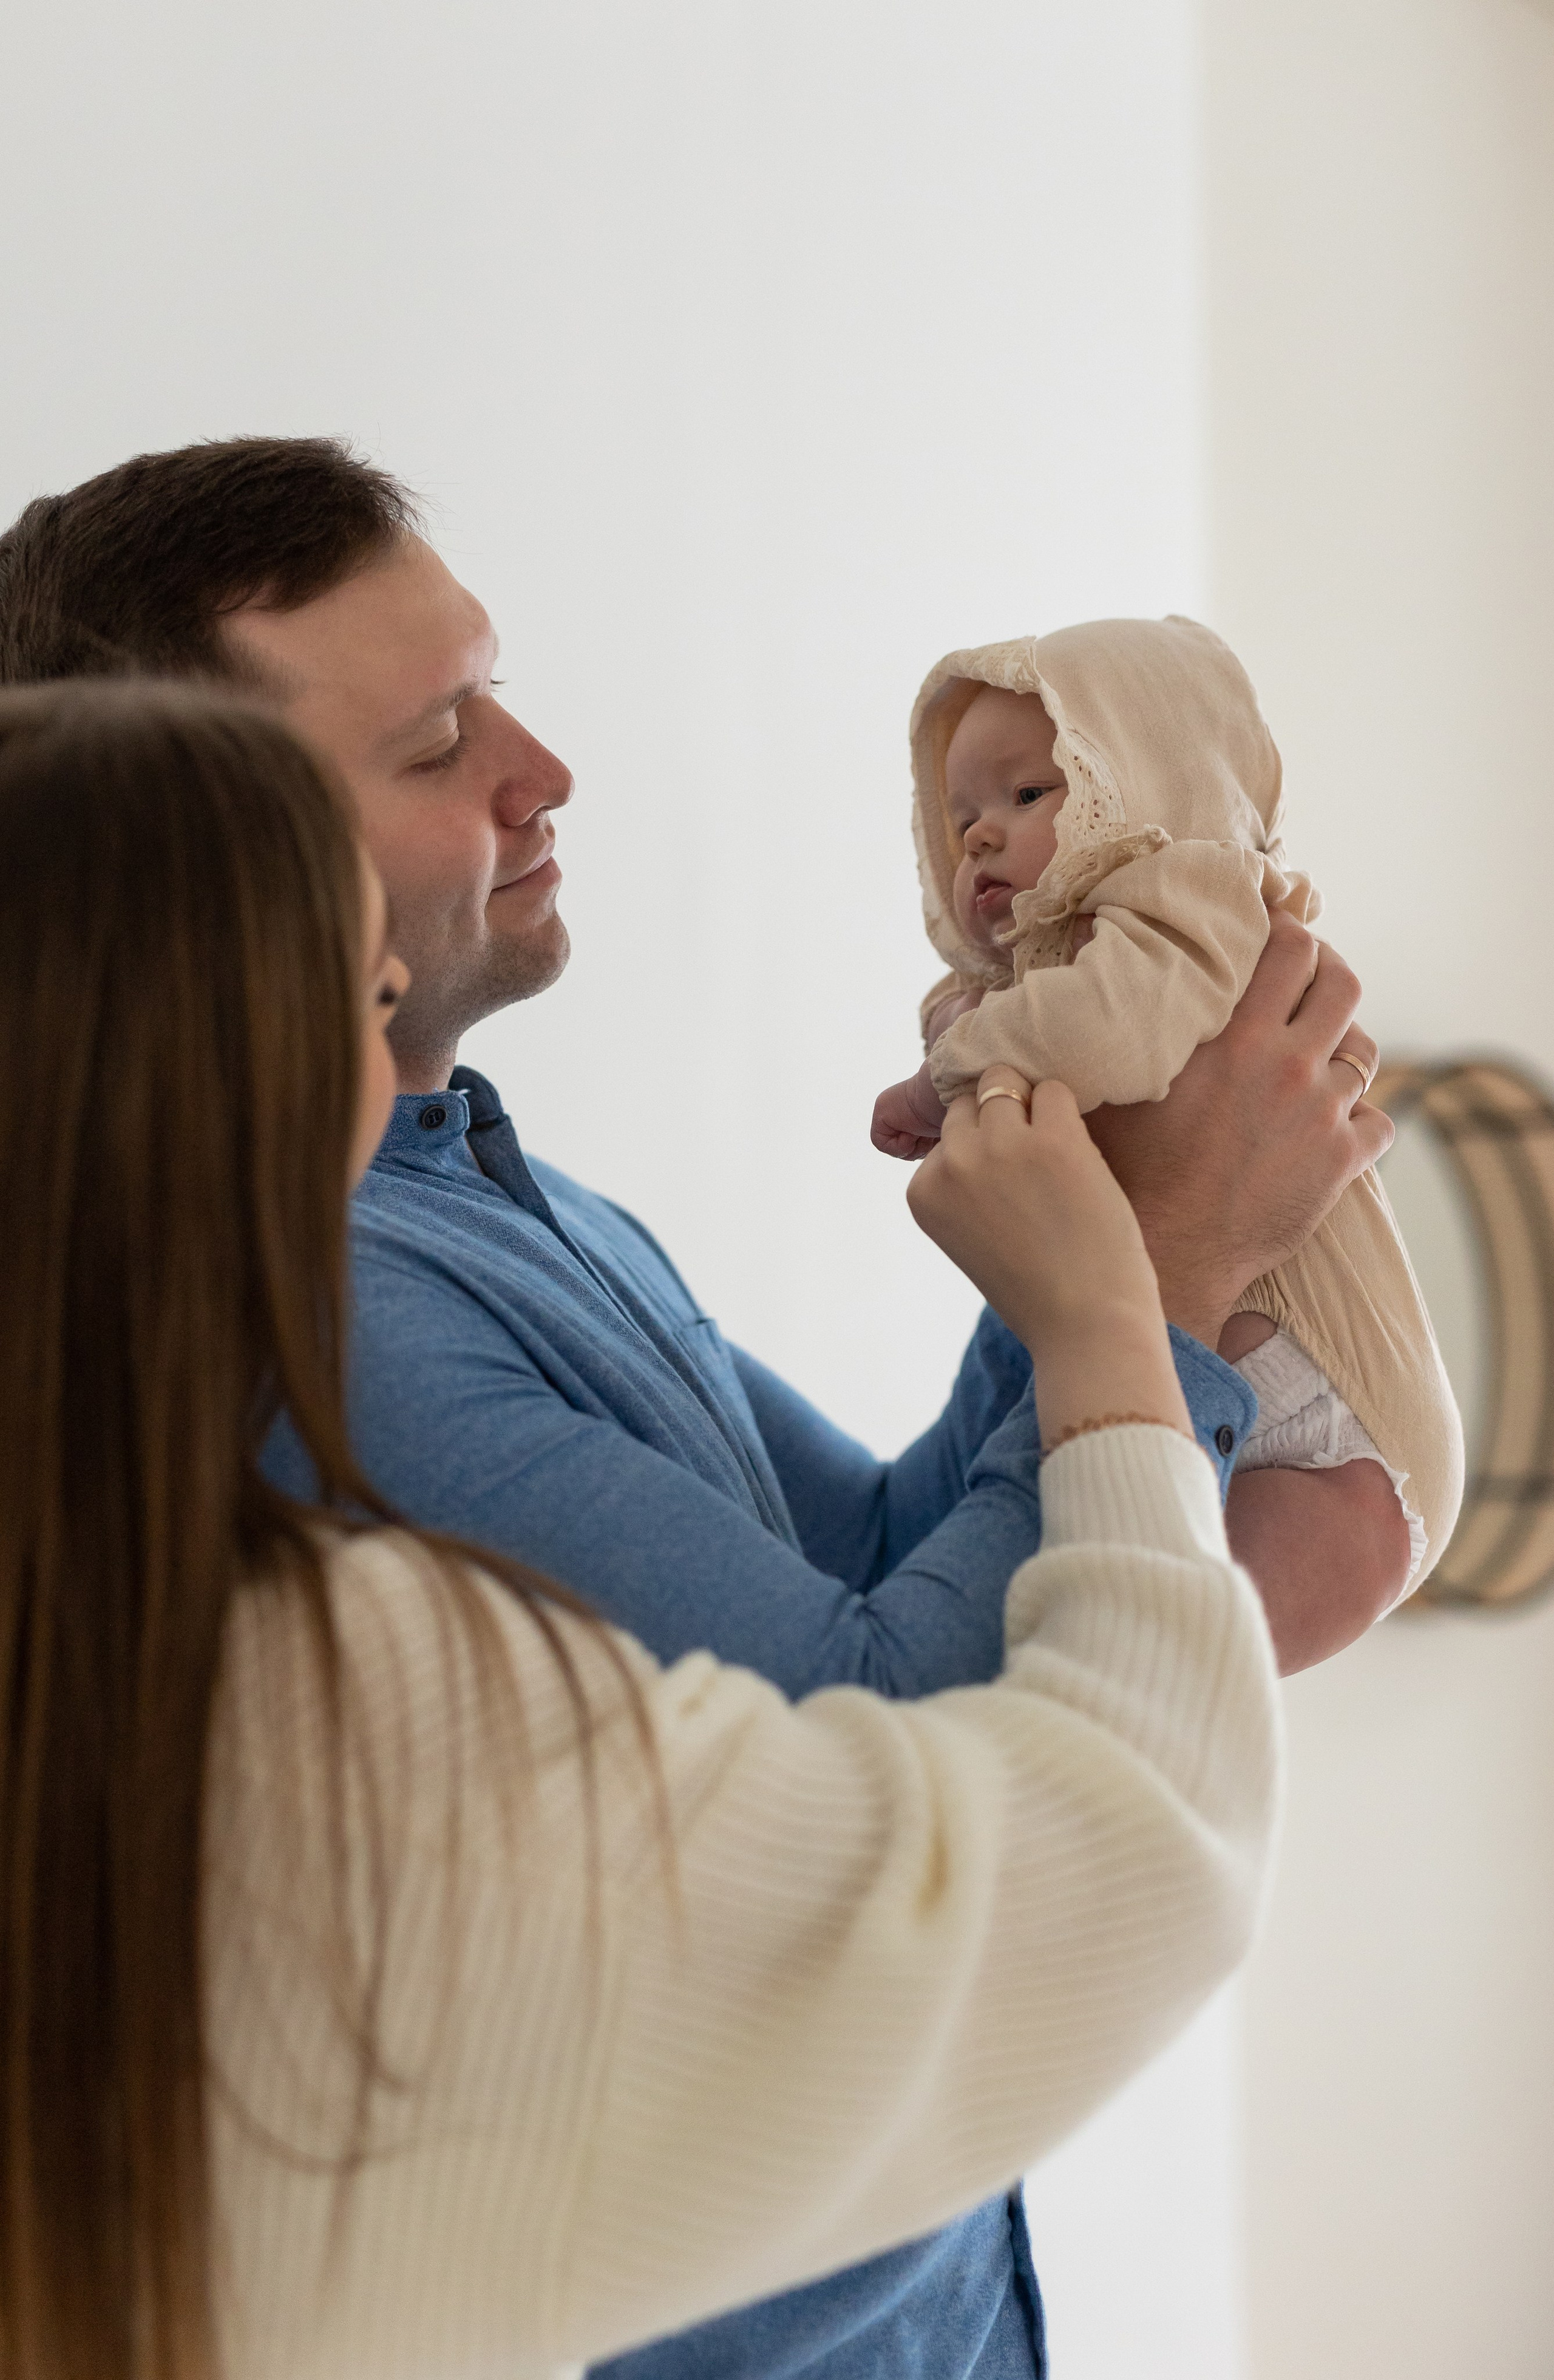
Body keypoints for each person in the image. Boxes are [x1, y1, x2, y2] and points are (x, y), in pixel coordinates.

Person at [0, 443, 1391, 2380]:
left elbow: (888, 1580)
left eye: (496, 689)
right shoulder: (333, 1327)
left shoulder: (496, 1185)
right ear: (195, 864)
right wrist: (1153, 1279)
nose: (539, 769)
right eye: (431, 747)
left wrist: (1119, 1198)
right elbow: (918, 1771)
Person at [874, 616, 1459, 1608]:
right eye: (963, 813)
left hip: (1344, 1433)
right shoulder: (1041, 977)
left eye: (1027, 794)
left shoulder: (1195, 901)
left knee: (1179, 1648)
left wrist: (949, 1077)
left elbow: (1108, 1031)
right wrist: (968, 1024)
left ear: (1145, 786)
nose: (979, 835)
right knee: (1118, 1620)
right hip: (1197, 1372)